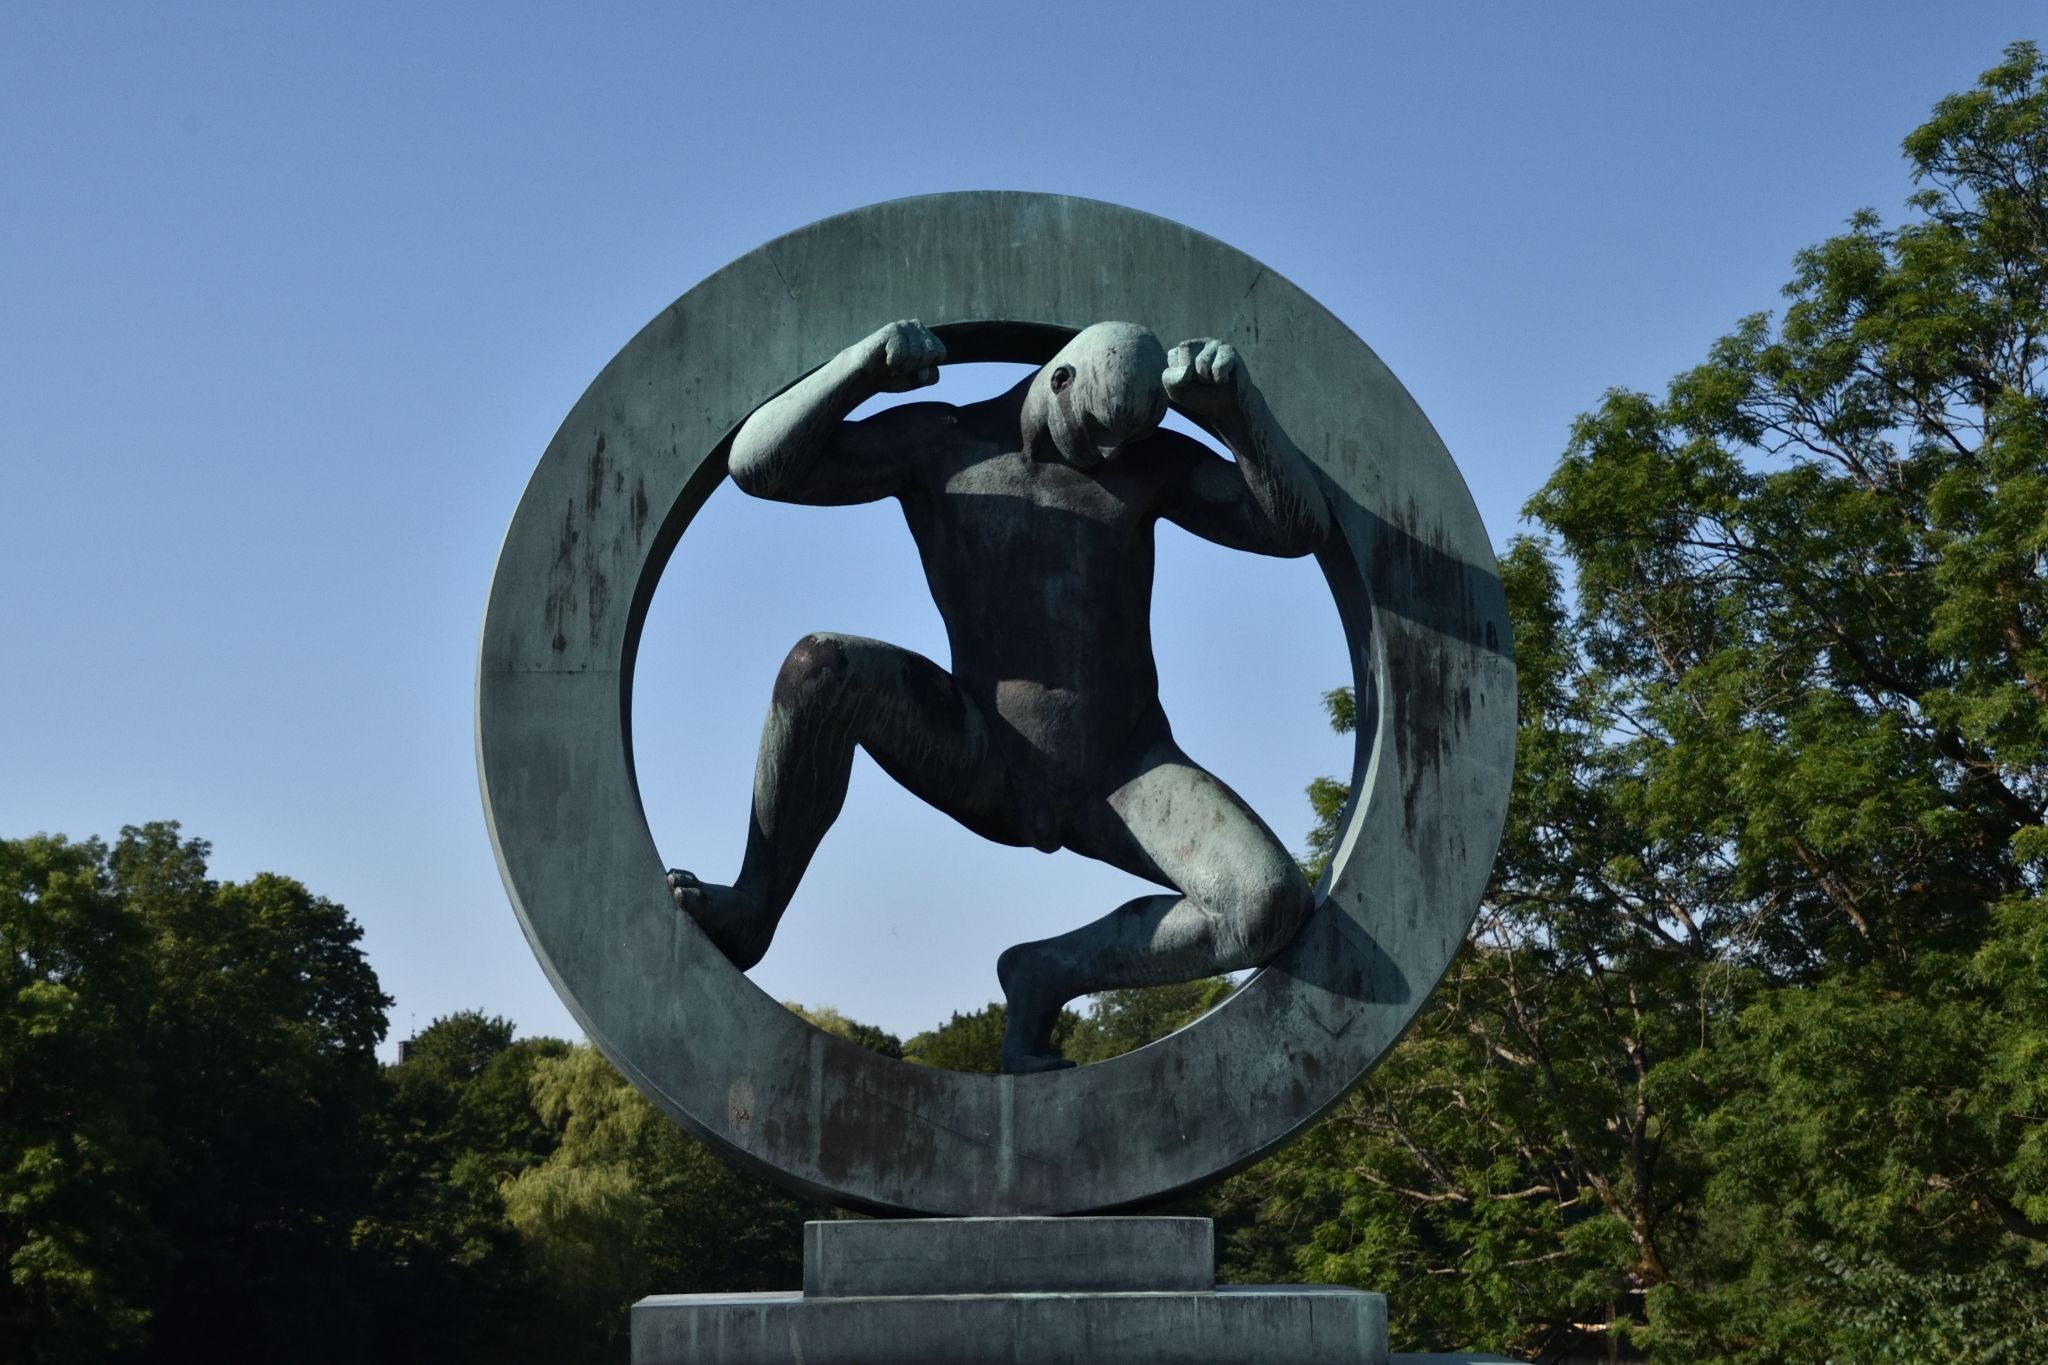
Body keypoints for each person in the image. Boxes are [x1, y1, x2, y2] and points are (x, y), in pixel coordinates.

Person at [668, 319, 1332, 1072]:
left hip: (1125, 771)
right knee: (820, 669)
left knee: (1268, 901)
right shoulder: (942, 444)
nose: (1113, 453)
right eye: (1101, 432)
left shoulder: (1148, 464)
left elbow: (1294, 529)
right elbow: (757, 466)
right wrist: (855, 369)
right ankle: (757, 901)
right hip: (981, 750)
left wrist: (1239, 411)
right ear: (1059, 382)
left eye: (1132, 436)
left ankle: (1048, 972)